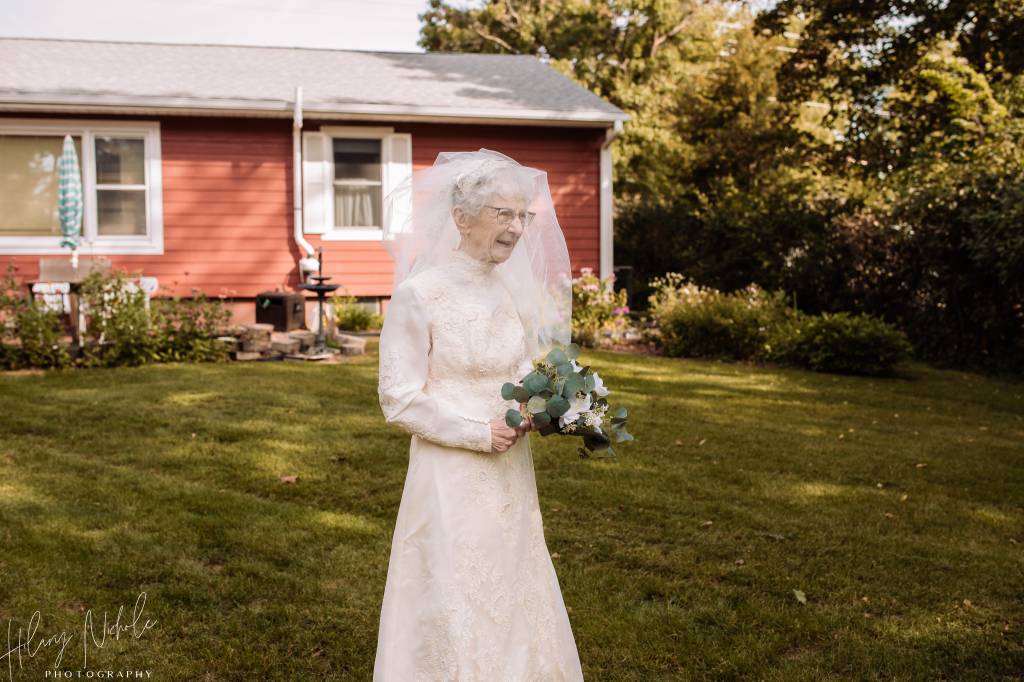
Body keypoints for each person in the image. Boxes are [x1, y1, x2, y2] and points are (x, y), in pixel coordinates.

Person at [372, 148, 584, 681]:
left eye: (523, 215)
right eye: (503, 213)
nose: (517, 228)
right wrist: (476, 433)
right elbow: (397, 397)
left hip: (510, 468)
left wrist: (539, 407)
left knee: (514, 575)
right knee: (454, 582)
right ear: (462, 218)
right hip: (451, 469)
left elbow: (519, 368)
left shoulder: (513, 291)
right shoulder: (420, 295)